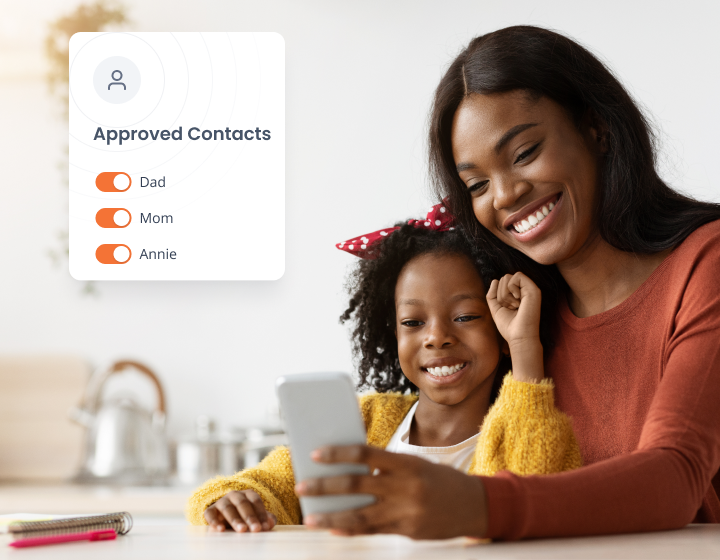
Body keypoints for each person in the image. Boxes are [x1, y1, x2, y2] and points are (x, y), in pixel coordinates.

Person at [293, 25, 720, 540]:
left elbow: (676, 478)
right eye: (476, 184)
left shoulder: (706, 262)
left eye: (524, 153)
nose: (505, 194)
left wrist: (479, 505)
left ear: (597, 128)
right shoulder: (521, 323)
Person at [186, 202, 581, 534]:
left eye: (465, 317)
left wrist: (525, 348)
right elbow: (266, 484)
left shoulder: (525, 429)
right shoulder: (364, 423)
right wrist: (234, 502)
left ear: (501, 325)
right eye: (413, 323)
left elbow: (538, 504)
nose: (436, 337)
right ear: (390, 333)